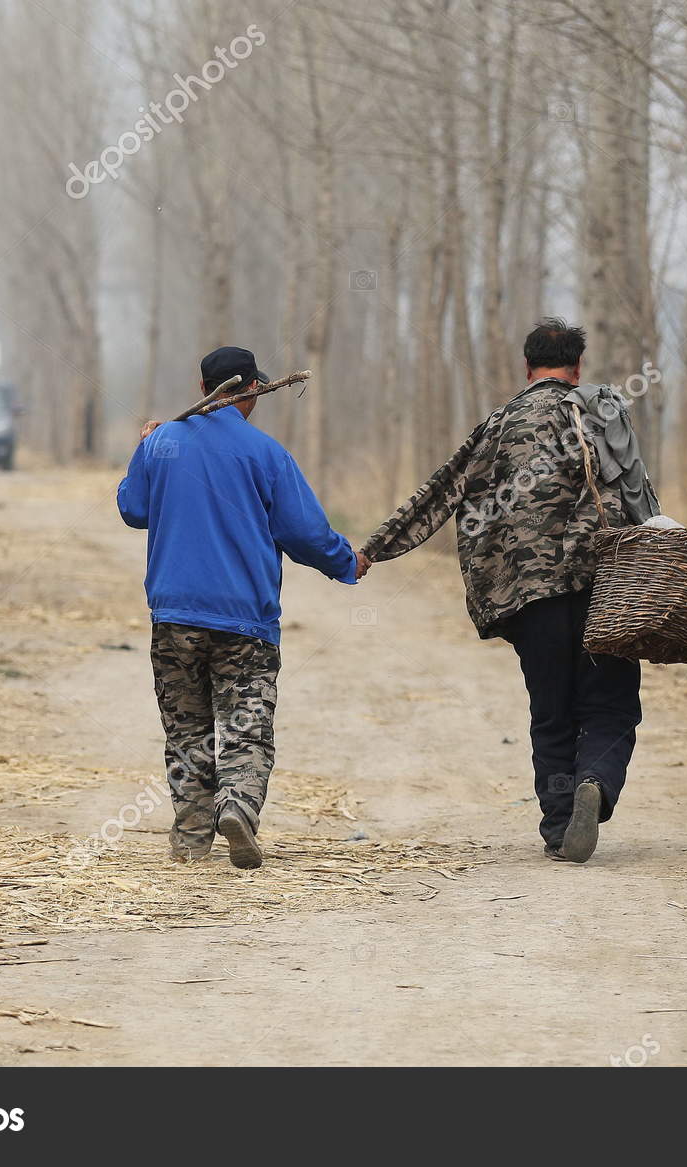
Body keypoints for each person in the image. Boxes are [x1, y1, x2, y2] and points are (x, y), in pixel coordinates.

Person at [359, 318, 659, 863]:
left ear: (527, 368)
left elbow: (438, 495)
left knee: (551, 712)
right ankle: (595, 780)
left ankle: (559, 825)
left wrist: (373, 551)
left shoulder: (498, 425)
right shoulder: (603, 414)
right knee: (611, 705)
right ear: (577, 368)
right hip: (604, 589)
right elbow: (640, 495)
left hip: (529, 595)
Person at [118, 346, 365, 869]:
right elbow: (305, 533)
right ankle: (238, 808)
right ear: (253, 388)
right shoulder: (267, 454)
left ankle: (189, 837)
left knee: (186, 729)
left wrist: (141, 449)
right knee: (244, 725)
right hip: (245, 622)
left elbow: (133, 509)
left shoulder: (161, 442)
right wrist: (348, 561)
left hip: (174, 617)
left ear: (201, 384)